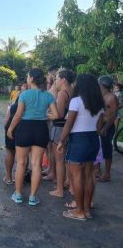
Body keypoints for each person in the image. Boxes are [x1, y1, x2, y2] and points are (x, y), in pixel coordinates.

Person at [7, 68, 59, 206]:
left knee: (21, 163)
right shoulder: (48, 96)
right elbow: (56, 115)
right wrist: (44, 115)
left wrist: (10, 128)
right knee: (36, 164)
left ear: (31, 79)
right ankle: (32, 197)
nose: (27, 78)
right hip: (41, 129)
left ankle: (18, 195)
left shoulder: (25, 94)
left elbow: (18, 115)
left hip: (25, 128)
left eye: (28, 76)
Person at [57, 74, 104, 221]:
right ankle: (87, 209)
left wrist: (61, 140)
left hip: (79, 140)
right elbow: (99, 126)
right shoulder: (99, 103)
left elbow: (69, 124)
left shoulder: (76, 101)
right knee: (89, 175)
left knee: (76, 176)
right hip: (93, 139)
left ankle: (79, 211)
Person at [49, 69, 75, 198]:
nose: (56, 81)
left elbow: (58, 115)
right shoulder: (73, 91)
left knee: (59, 160)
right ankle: (68, 183)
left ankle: (59, 189)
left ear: (63, 79)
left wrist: (46, 115)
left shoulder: (62, 93)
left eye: (58, 78)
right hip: (70, 128)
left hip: (60, 128)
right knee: (67, 160)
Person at [3, 83, 27, 185]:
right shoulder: (28, 105)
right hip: (22, 128)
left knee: (10, 152)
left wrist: (7, 128)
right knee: (23, 155)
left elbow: (6, 120)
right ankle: (22, 176)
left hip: (10, 128)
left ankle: (8, 177)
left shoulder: (12, 106)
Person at [97, 75, 119, 182]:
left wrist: (105, 128)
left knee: (107, 150)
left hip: (107, 127)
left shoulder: (112, 97)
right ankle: (98, 171)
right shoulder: (102, 96)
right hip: (101, 127)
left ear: (102, 85)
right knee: (99, 148)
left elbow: (113, 115)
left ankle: (107, 174)